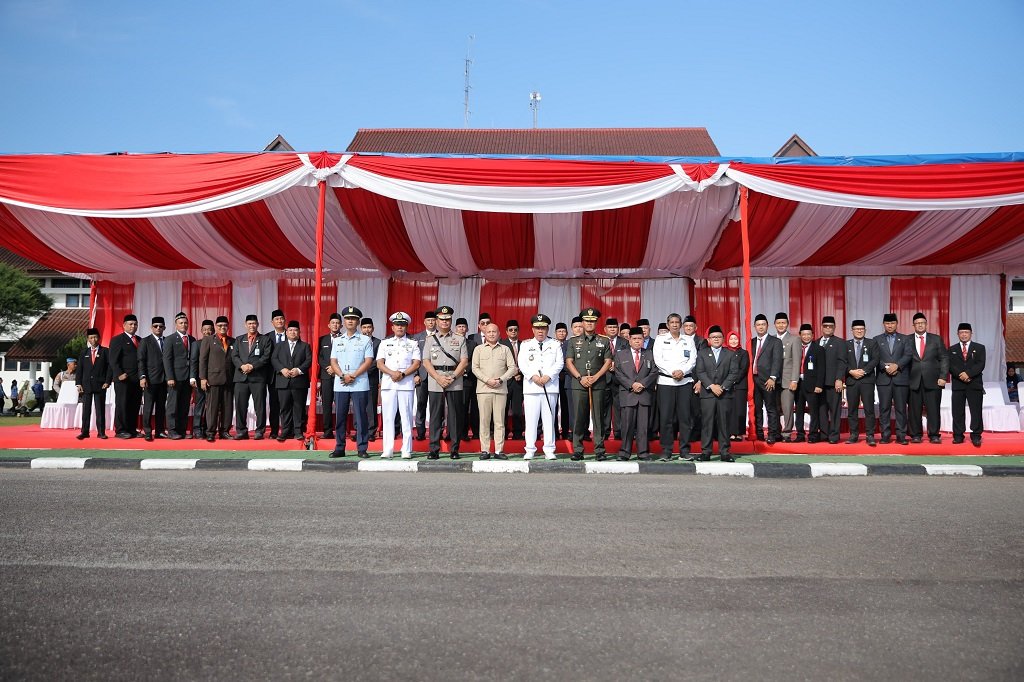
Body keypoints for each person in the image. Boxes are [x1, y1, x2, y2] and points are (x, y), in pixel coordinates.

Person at [565, 307, 613, 461]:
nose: (590, 324)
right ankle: (578, 449)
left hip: (598, 383)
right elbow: (569, 362)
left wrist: (597, 376)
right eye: (587, 321)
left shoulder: (604, 340)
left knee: (598, 417)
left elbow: (608, 361)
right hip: (579, 384)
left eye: (593, 321)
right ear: (582, 322)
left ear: (596, 322)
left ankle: (599, 450)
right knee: (579, 417)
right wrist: (580, 378)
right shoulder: (573, 341)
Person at [422, 305, 469, 460]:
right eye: (441, 319)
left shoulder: (460, 339)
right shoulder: (430, 340)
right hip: (436, 379)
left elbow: (464, 361)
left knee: (455, 415)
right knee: (435, 415)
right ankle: (434, 449)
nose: (444, 322)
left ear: (451, 320)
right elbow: (426, 361)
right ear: (436, 320)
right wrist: (437, 377)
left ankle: (454, 449)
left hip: (454, 380)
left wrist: (453, 377)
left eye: (447, 319)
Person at [329, 306, 375, 458]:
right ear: (344, 321)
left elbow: (368, 361)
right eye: (348, 318)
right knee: (340, 416)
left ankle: (362, 448)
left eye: (353, 318)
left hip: (359, 382)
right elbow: (333, 361)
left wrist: (353, 375)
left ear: (358, 321)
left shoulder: (365, 339)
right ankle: (339, 447)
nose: (350, 321)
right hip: (341, 383)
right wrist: (343, 375)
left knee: (361, 417)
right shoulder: (337, 340)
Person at [375, 312, 421, 459]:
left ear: (406, 326)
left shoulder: (413, 343)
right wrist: (392, 373)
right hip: (389, 383)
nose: (400, 327)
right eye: (397, 325)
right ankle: (387, 449)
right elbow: (379, 363)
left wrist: (402, 374)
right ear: (392, 327)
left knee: (406, 417)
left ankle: (406, 449)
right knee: (388, 417)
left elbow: (416, 363)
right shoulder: (384, 343)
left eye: (402, 325)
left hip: (406, 383)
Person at [653, 313, 698, 461]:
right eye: (671, 322)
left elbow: (693, 360)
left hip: (684, 382)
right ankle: (666, 450)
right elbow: (658, 360)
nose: (674, 325)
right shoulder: (660, 340)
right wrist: (672, 372)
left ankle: (684, 450)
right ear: (667, 325)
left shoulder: (688, 340)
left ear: (680, 325)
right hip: (666, 383)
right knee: (666, 418)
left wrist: (682, 372)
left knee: (685, 418)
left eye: (677, 322)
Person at [518, 314, 564, 460]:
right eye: (537, 328)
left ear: (547, 329)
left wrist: (548, 376)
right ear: (532, 329)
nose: (540, 331)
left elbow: (559, 363)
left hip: (549, 386)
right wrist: (534, 376)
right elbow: (522, 364)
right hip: (532, 387)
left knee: (549, 418)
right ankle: (530, 449)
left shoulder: (555, 344)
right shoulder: (525, 345)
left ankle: (549, 449)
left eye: (543, 328)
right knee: (531, 420)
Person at [694, 326, 741, 462]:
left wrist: (723, 386)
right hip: (708, 394)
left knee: (724, 423)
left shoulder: (730, 354)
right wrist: (711, 386)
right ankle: (706, 452)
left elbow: (734, 373)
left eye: (719, 337)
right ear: (708, 339)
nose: (716, 339)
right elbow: (700, 372)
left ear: (723, 339)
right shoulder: (702, 353)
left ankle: (725, 452)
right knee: (707, 423)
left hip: (724, 394)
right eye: (713, 337)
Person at [472, 322, 517, 460]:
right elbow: (475, 368)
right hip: (483, 390)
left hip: (500, 390)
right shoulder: (478, 349)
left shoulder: (505, 349)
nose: (491, 334)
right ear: (484, 333)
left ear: (499, 334)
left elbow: (512, 368)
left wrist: (501, 380)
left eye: (494, 332)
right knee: (484, 421)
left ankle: (499, 450)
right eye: (489, 332)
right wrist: (487, 380)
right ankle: (485, 450)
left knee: (499, 421)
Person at [613, 327, 657, 461]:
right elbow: (618, 373)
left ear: (643, 340)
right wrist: (632, 384)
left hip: (644, 394)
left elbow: (654, 372)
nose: (637, 341)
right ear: (629, 340)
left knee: (643, 426)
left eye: (640, 339)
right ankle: (625, 452)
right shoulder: (621, 354)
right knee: (626, 425)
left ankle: (643, 452)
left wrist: (642, 384)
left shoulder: (649, 353)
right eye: (635, 339)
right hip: (628, 393)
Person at [907, 312, 948, 444]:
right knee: (914, 409)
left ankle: (934, 434)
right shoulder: (907, 340)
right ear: (913, 325)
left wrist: (943, 376)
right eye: (917, 323)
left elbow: (944, 358)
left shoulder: (936, 339)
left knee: (933, 408)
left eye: (922, 323)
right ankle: (916, 434)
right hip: (913, 380)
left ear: (926, 324)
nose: (920, 325)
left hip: (933, 380)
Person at [231, 314, 272, 440]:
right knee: (240, 405)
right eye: (249, 323)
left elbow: (266, 357)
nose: (252, 326)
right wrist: (242, 366)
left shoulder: (265, 339)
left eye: (254, 323)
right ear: (245, 325)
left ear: (258, 324)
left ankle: (260, 430)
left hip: (257, 378)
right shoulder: (238, 339)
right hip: (241, 377)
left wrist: (252, 366)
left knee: (260, 406)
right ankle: (241, 431)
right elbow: (234, 356)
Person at [873, 313, 912, 445]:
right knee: (884, 408)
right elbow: (875, 357)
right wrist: (884, 366)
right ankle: (885, 435)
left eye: (892, 323)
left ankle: (901, 435)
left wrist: (897, 365)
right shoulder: (876, 339)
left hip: (900, 379)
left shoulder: (905, 339)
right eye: (887, 323)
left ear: (897, 324)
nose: (890, 326)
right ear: (883, 324)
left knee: (901, 408)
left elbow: (908, 355)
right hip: (883, 379)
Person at [271, 320, 312, 442]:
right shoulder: (279, 346)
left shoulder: (305, 346)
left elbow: (309, 360)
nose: (293, 332)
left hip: (299, 382)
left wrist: (299, 370)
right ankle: (285, 430)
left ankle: (298, 431)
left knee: (299, 407)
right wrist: (282, 369)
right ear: (286, 332)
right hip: (283, 381)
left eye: (295, 330)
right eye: (290, 330)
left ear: (299, 332)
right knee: (284, 407)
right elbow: (274, 359)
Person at [948, 322, 985, 447]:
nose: (964, 335)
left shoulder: (979, 348)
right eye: (961, 332)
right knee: (957, 411)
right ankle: (958, 435)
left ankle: (976, 435)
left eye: (966, 332)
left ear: (971, 333)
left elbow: (980, 365)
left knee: (976, 410)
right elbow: (950, 366)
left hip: (974, 383)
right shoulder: (952, 349)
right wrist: (961, 375)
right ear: (957, 334)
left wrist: (968, 374)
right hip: (958, 384)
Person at [199, 316, 234, 442]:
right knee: (212, 407)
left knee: (227, 407)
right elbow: (202, 360)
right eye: (219, 326)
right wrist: (203, 378)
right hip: (213, 379)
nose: (222, 328)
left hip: (229, 379)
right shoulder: (208, 340)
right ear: (216, 327)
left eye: (225, 325)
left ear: (228, 326)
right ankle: (210, 432)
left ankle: (224, 431)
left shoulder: (233, 341)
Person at [844, 320, 878, 446]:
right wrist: (851, 371)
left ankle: (870, 435)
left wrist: (863, 371)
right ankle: (853, 434)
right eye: (856, 329)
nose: (859, 331)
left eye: (861, 329)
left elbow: (875, 359)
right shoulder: (846, 344)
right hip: (852, 381)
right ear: (852, 330)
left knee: (869, 409)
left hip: (866, 381)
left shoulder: (871, 343)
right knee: (852, 409)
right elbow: (843, 361)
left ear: (865, 330)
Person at [163, 312, 196, 440]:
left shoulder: (192, 339)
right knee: (173, 405)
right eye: (181, 323)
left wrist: (192, 377)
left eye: (185, 323)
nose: (184, 325)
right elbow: (167, 359)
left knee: (184, 405)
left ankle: (182, 430)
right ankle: (171, 430)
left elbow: (193, 360)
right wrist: (170, 377)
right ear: (176, 325)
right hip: (175, 378)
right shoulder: (170, 339)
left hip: (187, 378)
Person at [108, 313, 142, 438]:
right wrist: (119, 374)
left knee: (134, 405)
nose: (133, 326)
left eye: (135, 324)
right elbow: (113, 360)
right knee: (122, 404)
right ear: (124, 325)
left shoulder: (140, 340)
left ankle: (132, 429)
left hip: (137, 379)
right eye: (130, 324)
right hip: (123, 379)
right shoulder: (117, 340)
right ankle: (121, 430)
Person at [750, 314, 783, 444]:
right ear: (754, 327)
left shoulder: (775, 341)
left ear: (767, 326)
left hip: (768, 380)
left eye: (763, 324)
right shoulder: (751, 341)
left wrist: (773, 377)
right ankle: (758, 433)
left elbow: (777, 361)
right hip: (754, 380)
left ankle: (772, 434)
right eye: (758, 325)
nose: (761, 327)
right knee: (757, 408)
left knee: (771, 408)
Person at [75, 327, 112, 440]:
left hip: (100, 385)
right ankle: (84, 432)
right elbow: (79, 369)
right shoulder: (84, 352)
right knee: (86, 410)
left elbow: (110, 368)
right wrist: (78, 383)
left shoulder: (105, 351)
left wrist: (107, 381)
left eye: (95, 337)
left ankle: (101, 432)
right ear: (88, 339)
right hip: (86, 386)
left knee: (100, 410)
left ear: (99, 338)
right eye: (91, 337)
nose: (94, 339)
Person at [815, 316, 846, 444]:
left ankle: (834, 435)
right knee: (821, 410)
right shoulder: (815, 342)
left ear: (834, 327)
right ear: (821, 327)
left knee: (834, 410)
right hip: (819, 384)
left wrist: (839, 378)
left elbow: (842, 362)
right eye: (825, 326)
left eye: (831, 326)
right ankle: (823, 434)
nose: (828, 328)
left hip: (833, 382)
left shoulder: (840, 342)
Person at [792, 324, 825, 443]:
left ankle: (812, 435)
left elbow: (822, 369)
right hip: (798, 384)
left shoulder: (818, 349)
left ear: (812, 335)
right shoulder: (796, 347)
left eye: (808, 334)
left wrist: (819, 385)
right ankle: (800, 434)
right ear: (800, 335)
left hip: (812, 385)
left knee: (813, 411)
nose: (806, 336)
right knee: (799, 410)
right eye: (804, 334)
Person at [138, 316, 169, 441]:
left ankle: (160, 431)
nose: (158, 328)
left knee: (161, 407)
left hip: (164, 380)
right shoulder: (145, 341)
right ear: (151, 327)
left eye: (161, 326)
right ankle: (147, 431)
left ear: (164, 328)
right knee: (148, 407)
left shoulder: (168, 341)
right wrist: (142, 376)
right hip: (150, 380)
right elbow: (141, 360)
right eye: (155, 326)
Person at [463, 313, 490, 442]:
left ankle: (477, 432)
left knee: (479, 408)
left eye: (487, 323)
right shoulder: (472, 338)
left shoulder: (495, 336)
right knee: (466, 405)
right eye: (483, 323)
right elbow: (469, 358)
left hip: (486, 379)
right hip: (470, 378)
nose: (485, 325)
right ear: (479, 325)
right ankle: (464, 431)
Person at [774, 312, 800, 441]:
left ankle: (787, 433)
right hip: (773, 381)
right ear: (774, 324)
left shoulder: (794, 339)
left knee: (787, 408)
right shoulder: (772, 339)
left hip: (787, 379)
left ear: (788, 324)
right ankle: (776, 431)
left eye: (783, 323)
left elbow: (796, 361)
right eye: (778, 323)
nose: (781, 325)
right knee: (775, 408)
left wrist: (794, 379)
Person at [412, 310, 437, 440]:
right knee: (421, 404)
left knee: (436, 406)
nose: (431, 322)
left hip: (437, 377)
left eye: (433, 320)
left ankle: (435, 433)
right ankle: (420, 432)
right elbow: (413, 358)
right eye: (429, 320)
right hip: (421, 376)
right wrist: (415, 374)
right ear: (424, 322)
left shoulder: (442, 336)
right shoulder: (417, 337)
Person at [317, 313, 343, 438]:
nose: (335, 325)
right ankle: (327, 431)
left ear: (341, 325)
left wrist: (336, 368)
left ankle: (340, 431)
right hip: (326, 375)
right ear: (329, 325)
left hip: (341, 376)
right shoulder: (322, 339)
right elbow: (319, 357)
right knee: (326, 404)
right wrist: (329, 367)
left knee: (340, 404)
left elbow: (347, 356)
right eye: (333, 323)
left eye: (337, 323)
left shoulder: (345, 338)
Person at [190, 319, 214, 439]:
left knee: (211, 407)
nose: (207, 332)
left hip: (214, 380)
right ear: (201, 331)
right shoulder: (196, 344)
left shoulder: (216, 342)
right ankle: (197, 429)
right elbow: (194, 362)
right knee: (199, 405)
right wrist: (193, 377)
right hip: (200, 380)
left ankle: (207, 428)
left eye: (209, 329)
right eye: (204, 329)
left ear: (213, 330)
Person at [501, 319, 525, 440]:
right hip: (506, 381)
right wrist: (512, 373)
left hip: (519, 381)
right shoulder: (502, 344)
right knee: (503, 408)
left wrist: (520, 372)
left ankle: (517, 432)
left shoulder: (524, 345)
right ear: (506, 332)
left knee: (517, 409)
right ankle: (503, 433)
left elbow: (527, 362)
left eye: (515, 330)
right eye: (511, 330)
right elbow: (500, 363)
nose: (513, 332)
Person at [265, 309, 287, 439]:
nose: (279, 321)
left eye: (281, 319)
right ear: (272, 322)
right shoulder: (267, 337)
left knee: (286, 404)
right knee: (274, 404)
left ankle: (286, 429)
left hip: (287, 375)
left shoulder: (291, 334)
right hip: (273, 376)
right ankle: (274, 430)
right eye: (277, 319)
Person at [725, 331, 749, 441]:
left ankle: (739, 433)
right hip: (726, 386)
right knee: (729, 409)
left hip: (740, 385)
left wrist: (733, 380)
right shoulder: (724, 352)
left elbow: (744, 369)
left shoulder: (744, 353)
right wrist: (728, 382)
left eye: (735, 339)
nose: (733, 341)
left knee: (739, 409)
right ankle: (730, 433)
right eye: (731, 339)